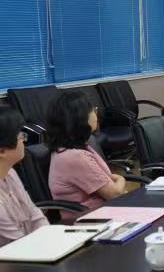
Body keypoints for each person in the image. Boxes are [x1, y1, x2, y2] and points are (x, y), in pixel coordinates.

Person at [47, 91, 126, 212]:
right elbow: (115, 194)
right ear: (80, 117)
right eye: (93, 110)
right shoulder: (75, 157)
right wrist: (121, 179)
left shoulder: (68, 148)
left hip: (103, 211)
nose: (96, 113)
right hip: (92, 217)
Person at [0, 106, 48, 246]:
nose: (24, 140)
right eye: (21, 136)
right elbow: (16, 243)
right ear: (2, 151)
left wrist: (51, 238)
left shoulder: (10, 172)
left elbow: (35, 215)